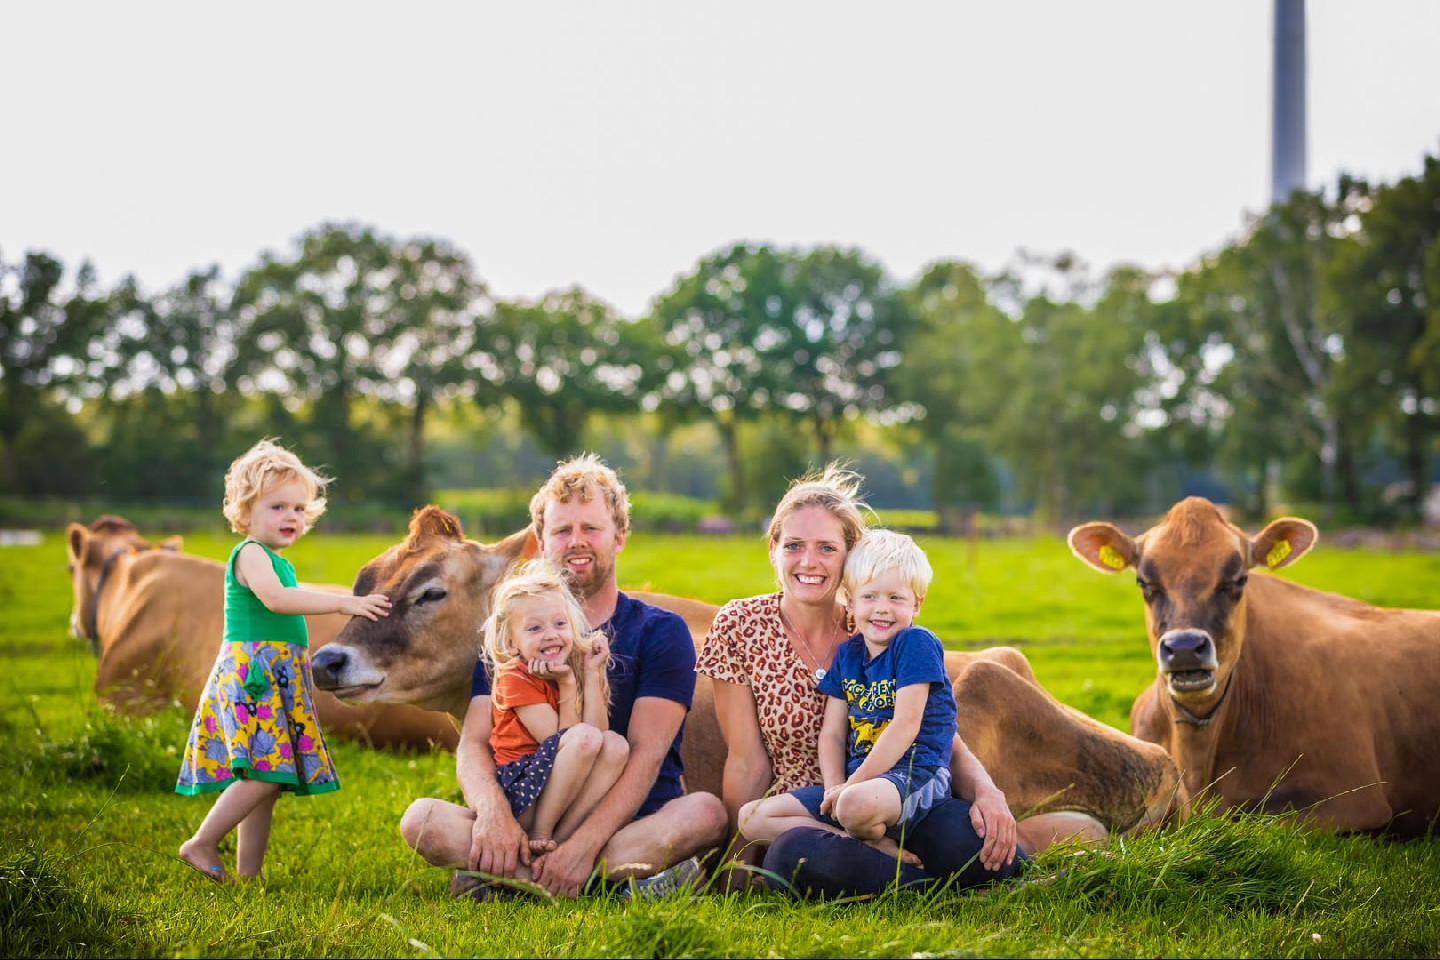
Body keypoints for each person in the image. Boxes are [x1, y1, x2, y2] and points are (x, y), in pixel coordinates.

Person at [698, 464, 1104, 897]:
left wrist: (987, 790)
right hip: (813, 817)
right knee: (793, 854)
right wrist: (734, 868)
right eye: (794, 545)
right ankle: (934, 887)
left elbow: (931, 727)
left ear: (850, 556)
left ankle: (1022, 881)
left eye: (827, 548)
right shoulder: (741, 624)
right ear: (773, 550)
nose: (809, 562)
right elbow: (746, 762)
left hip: (898, 793)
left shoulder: (877, 626)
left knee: (953, 826)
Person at [399, 454, 728, 899]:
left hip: (631, 823)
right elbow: (474, 742)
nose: (577, 542)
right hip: (526, 817)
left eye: (591, 529)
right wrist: (493, 814)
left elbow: (647, 756)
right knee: (422, 820)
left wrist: (582, 847)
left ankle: (516, 875)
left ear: (619, 537)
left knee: (705, 813)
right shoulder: (508, 632)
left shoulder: (659, 631)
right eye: (562, 530)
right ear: (540, 540)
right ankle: (610, 880)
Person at [175, 438, 391, 882]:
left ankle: (248, 877)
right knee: (266, 773)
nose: (290, 516)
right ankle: (200, 842)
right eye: (277, 507)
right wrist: (342, 604)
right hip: (255, 675)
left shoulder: (276, 559)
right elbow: (275, 601)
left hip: (277, 673)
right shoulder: (251, 555)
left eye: (298, 508)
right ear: (244, 512)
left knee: (267, 781)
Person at [739, 529, 955, 858]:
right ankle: (872, 847)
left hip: (916, 774)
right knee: (752, 817)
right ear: (851, 601)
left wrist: (850, 789)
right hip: (859, 785)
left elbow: (906, 724)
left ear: (917, 604)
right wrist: (833, 787)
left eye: (896, 598)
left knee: (853, 805)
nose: (882, 609)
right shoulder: (849, 654)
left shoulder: (916, 643)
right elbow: (832, 733)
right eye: (870, 597)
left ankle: (859, 833)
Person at [482, 559, 628, 856]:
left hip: (556, 789)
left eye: (560, 624)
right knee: (585, 739)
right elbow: (560, 740)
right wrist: (568, 686)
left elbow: (597, 735)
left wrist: (589, 673)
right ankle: (540, 833)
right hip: (522, 791)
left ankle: (560, 839)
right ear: (512, 643)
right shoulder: (514, 676)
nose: (550, 634)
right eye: (534, 628)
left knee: (616, 745)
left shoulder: (566, 667)